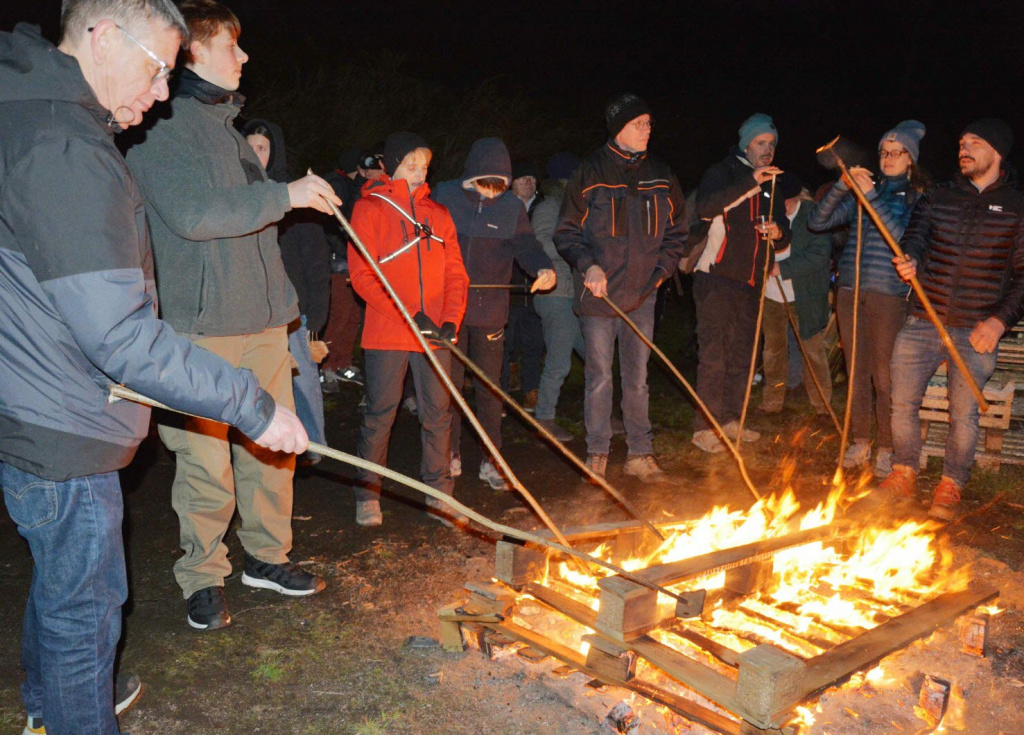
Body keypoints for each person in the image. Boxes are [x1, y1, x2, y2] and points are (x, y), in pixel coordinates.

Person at [0, 5, 307, 733]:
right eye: (157, 66)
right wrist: (254, 405)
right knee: (86, 605)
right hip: (59, 412)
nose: (163, 90)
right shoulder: (62, 145)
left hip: (32, 395)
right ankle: (74, 707)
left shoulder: (33, 117)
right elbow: (120, 334)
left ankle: (51, 699)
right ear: (104, 35)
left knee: (64, 580)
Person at [125, 0, 337, 631]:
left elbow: (255, 225)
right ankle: (202, 574)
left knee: (273, 453)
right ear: (191, 51)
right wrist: (284, 194)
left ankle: (267, 559)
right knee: (204, 464)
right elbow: (194, 216)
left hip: (267, 323)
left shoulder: (227, 129)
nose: (244, 57)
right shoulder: (157, 128)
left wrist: (288, 308)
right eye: (231, 46)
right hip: (199, 331)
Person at [881, 119, 1024, 520]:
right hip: (924, 318)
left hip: (977, 328)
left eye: (974, 143)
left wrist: (998, 323)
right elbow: (916, 237)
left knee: (964, 412)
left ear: (997, 152)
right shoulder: (939, 196)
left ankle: (951, 483)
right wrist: (910, 259)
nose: (964, 149)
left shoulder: (1017, 207)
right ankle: (904, 471)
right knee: (902, 401)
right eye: (961, 142)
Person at [555, 94, 688, 481]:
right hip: (598, 296)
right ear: (619, 129)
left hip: (643, 295)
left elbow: (678, 229)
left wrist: (661, 271)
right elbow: (565, 231)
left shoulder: (662, 174)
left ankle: (640, 453)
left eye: (649, 123)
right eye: (639, 124)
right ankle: (598, 451)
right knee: (599, 376)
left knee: (638, 377)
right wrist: (588, 265)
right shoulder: (590, 171)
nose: (647, 130)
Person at [348, 132, 469, 527]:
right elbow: (363, 276)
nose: (419, 174)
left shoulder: (439, 214)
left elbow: (456, 274)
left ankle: (439, 494)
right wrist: (406, 314)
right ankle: (368, 493)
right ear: (392, 165)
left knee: (438, 413)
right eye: (410, 166)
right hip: (388, 330)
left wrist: (451, 318)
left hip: (435, 332)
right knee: (380, 413)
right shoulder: (370, 210)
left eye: (424, 168)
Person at [433, 139, 555, 490]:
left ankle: (492, 460)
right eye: (486, 185)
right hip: (448, 310)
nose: (491, 195)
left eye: (499, 186)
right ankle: (449, 453)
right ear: (471, 177)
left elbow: (528, 246)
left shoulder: (511, 207)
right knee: (449, 387)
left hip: (490, 310)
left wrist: (543, 269)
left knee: (489, 387)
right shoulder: (444, 198)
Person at [809, 121, 928, 476]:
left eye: (897, 153)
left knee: (884, 375)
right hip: (850, 293)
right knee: (856, 371)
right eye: (884, 152)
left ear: (911, 159)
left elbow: (902, 237)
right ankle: (861, 440)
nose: (888, 159)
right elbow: (817, 222)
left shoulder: (916, 198)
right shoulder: (862, 193)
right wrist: (842, 188)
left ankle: (889, 448)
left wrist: (872, 197)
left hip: (889, 296)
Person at [690, 112, 791, 453]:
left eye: (772, 144)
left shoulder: (773, 182)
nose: (767, 150)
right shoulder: (722, 172)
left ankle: (730, 420)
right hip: (717, 277)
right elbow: (705, 208)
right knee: (715, 355)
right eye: (761, 143)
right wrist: (752, 181)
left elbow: (781, 226)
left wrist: (779, 232)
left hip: (752, 282)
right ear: (745, 144)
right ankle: (705, 427)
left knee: (742, 356)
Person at [244, 119, 332, 463]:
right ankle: (266, 449)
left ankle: (314, 450)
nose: (254, 154)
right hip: (252, 309)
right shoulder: (238, 197)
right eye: (249, 146)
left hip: (294, 311)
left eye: (262, 148)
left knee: (304, 382)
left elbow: (316, 261)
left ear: (273, 152)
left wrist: (316, 320)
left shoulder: (293, 196)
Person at [759, 174, 834, 417]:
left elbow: (820, 254)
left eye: (784, 204)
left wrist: (784, 267)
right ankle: (772, 402)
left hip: (805, 295)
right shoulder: (766, 213)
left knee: (812, 351)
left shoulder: (813, 215)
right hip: (772, 295)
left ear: (793, 199)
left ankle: (822, 405)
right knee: (773, 351)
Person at [531, 153, 586, 441]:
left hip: (575, 294)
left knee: (595, 356)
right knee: (559, 360)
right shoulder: (549, 208)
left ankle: (600, 415)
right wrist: (578, 256)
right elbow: (541, 245)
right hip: (555, 292)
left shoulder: (574, 208)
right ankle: (544, 418)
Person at [321, 148, 385, 392]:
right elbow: (341, 221)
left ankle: (342, 363)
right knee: (339, 316)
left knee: (351, 317)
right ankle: (325, 367)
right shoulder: (341, 184)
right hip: (340, 260)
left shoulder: (354, 185)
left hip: (355, 261)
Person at [501, 161, 546, 410]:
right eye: (521, 178)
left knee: (534, 343)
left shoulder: (545, 209)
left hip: (536, 290)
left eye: (531, 177)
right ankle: (502, 395)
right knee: (504, 345)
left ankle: (531, 390)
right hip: (508, 289)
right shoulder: (503, 208)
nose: (528, 181)